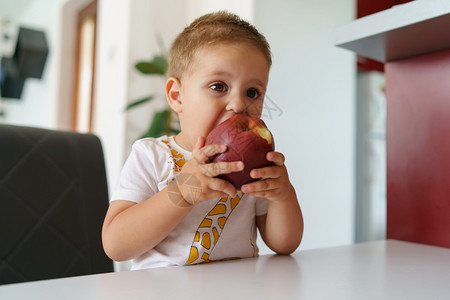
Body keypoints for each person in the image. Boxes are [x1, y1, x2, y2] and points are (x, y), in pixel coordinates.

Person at [102, 11, 303, 270]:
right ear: (177, 96)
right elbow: (116, 245)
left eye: (252, 92)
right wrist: (181, 193)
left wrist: (283, 196)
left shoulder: (254, 167)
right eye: (219, 86)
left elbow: (283, 244)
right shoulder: (152, 156)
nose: (239, 104)